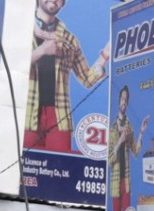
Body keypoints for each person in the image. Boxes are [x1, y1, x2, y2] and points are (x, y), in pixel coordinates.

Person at [24, 0, 108, 152]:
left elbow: (87, 78)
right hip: (27, 114)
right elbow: (11, 66)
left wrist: (104, 57)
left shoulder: (70, 40)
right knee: (23, 165)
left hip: (59, 117)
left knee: (61, 165)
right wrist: (41, 50)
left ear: (63, 3)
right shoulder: (21, 30)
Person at [109, 84, 149, 211]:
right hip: (115, 181)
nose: (124, 102)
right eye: (122, 99)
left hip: (126, 181)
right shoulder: (112, 129)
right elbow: (109, 159)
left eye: (126, 100)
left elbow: (136, 151)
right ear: (119, 101)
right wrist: (119, 141)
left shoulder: (129, 127)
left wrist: (141, 133)